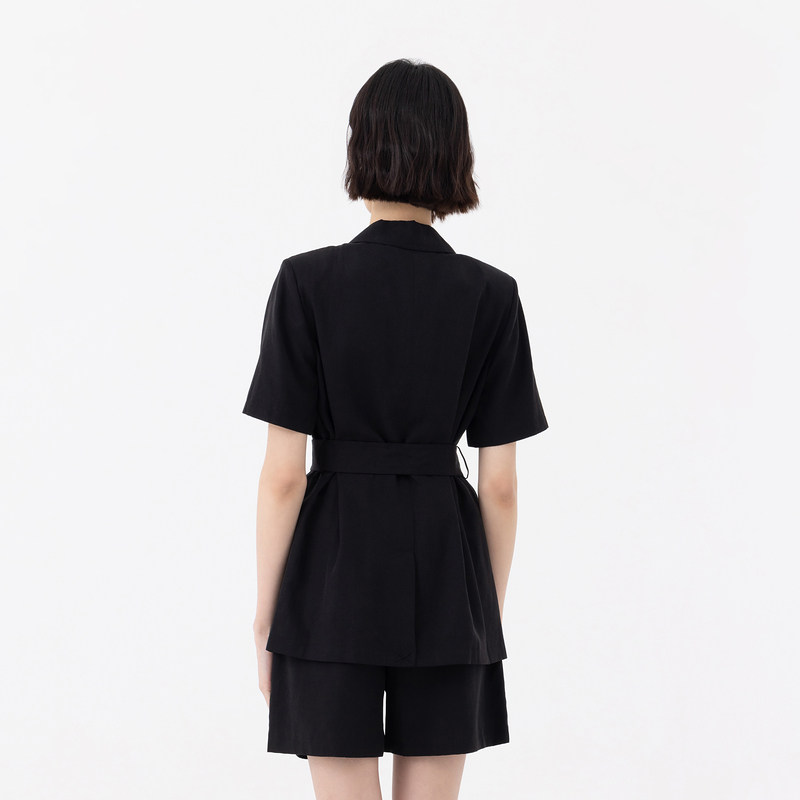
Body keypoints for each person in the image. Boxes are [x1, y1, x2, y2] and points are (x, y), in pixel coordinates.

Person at [243, 58, 549, 800]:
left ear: (362, 147)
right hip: (448, 577)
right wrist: (481, 614)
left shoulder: (306, 282)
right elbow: (500, 487)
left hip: (329, 578)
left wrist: (266, 615)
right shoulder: (492, 295)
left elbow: (283, 475)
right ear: (455, 154)